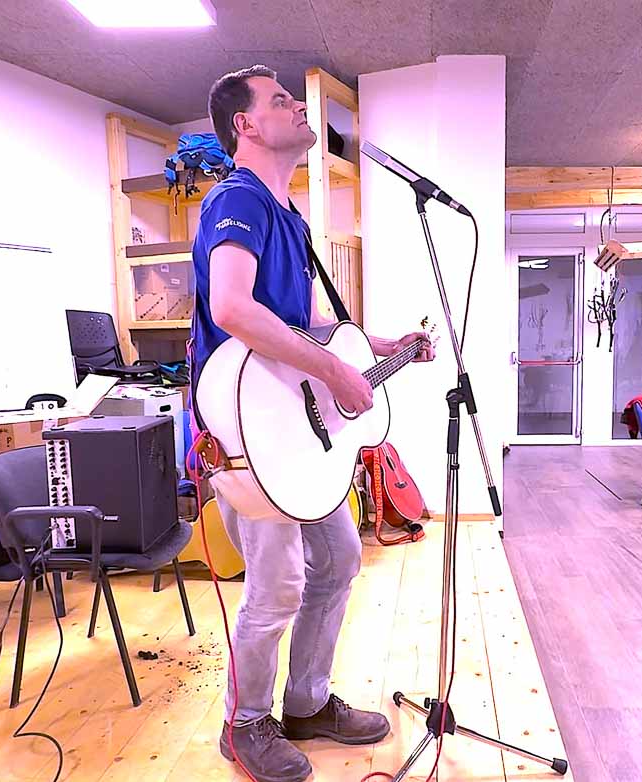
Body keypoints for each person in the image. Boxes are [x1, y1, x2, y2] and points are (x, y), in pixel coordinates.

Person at [190, 65, 434, 782]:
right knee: (277, 584)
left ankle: (305, 703)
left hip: (292, 426)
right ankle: (244, 724)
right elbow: (232, 308)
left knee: (339, 559)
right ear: (245, 125)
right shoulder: (237, 198)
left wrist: (373, 345)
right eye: (280, 100)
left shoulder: (289, 216)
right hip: (250, 431)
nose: (298, 106)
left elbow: (299, 322)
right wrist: (333, 371)